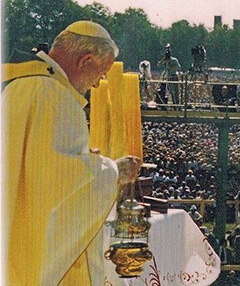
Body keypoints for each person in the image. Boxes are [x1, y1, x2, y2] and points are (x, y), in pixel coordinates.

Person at [2, 21, 141, 285]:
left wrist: (87, 160)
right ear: (85, 60)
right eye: (101, 74)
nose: (98, 85)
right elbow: (59, 186)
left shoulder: (19, 84)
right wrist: (113, 171)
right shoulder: (55, 96)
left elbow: (35, 167)